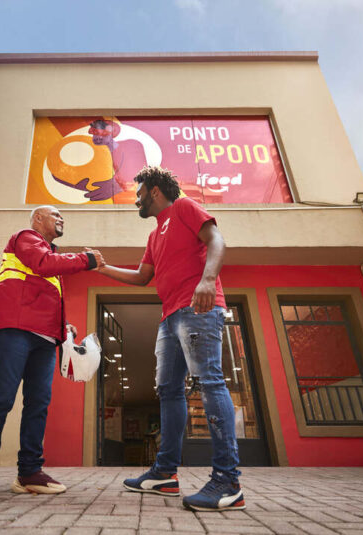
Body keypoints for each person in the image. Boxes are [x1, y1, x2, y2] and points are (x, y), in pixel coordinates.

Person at [91, 166, 244, 512]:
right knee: (169, 390)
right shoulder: (154, 235)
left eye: (139, 194)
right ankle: (164, 474)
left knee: (209, 381)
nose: (136, 201)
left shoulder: (185, 207)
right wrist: (102, 268)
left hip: (197, 308)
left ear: (155, 190)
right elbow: (142, 277)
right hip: (170, 316)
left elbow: (216, 240)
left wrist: (208, 280)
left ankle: (227, 480)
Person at [0, 206, 104, 502]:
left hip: (44, 337)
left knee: (38, 403)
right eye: (55, 215)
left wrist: (63, 326)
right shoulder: (26, 237)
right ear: (38, 219)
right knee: (2, 398)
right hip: (15, 329)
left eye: (62, 216)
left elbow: (38, 290)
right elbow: (42, 264)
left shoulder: (50, 254)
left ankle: (29, 472)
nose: (61, 219)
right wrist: (86, 259)